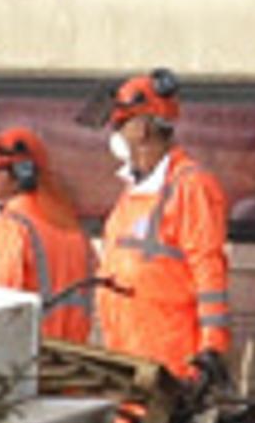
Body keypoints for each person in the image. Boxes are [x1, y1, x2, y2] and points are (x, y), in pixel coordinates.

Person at [94, 70, 232, 391]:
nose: (115, 135)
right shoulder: (134, 191)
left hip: (170, 364)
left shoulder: (190, 186)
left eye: (120, 124)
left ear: (142, 129)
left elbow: (209, 270)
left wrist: (212, 348)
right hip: (128, 358)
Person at [0, 126, 96, 344]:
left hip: (26, 361)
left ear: (22, 174)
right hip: (72, 362)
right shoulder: (76, 231)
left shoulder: (9, 228)